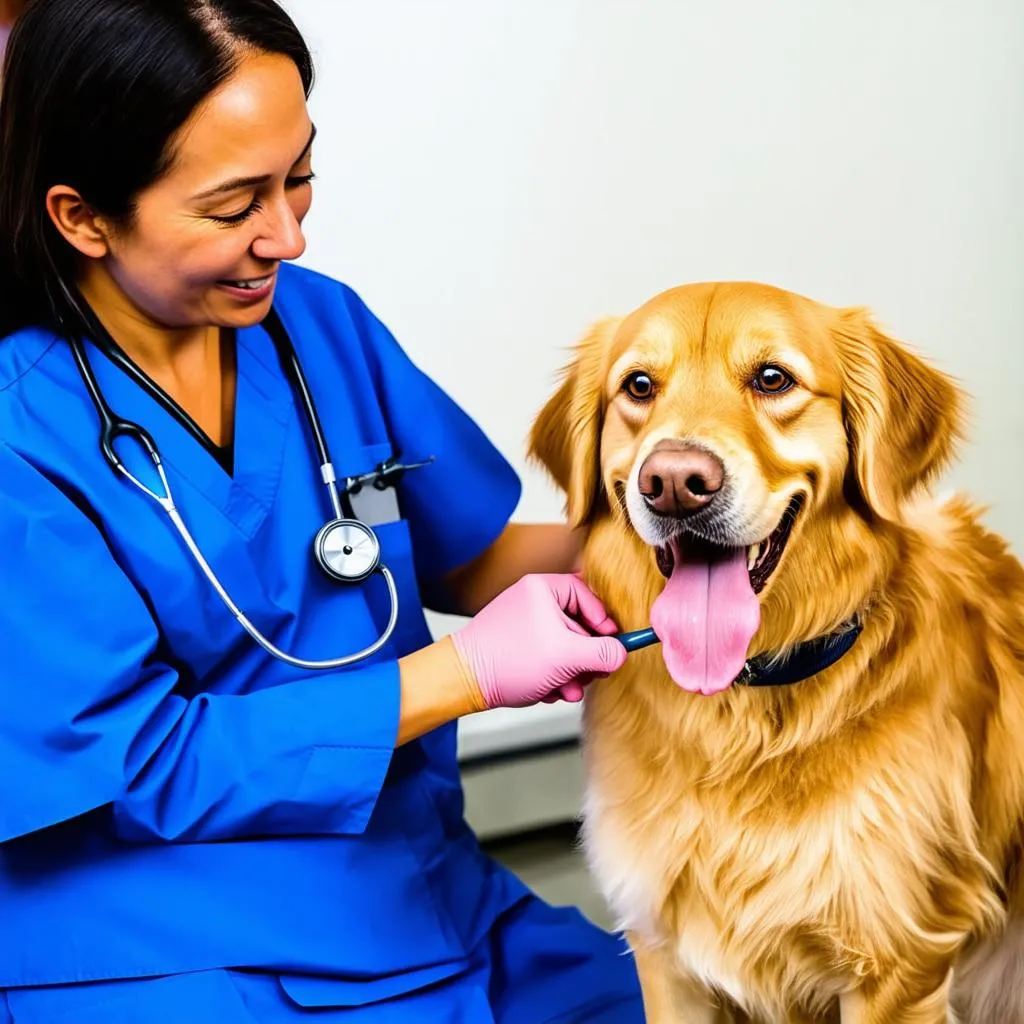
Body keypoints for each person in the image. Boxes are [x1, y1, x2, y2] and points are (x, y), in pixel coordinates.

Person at [0, 1, 646, 1021]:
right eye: (233, 205)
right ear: (82, 216)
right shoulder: (19, 435)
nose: (288, 236)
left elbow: (470, 559)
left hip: (414, 892)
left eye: (298, 176)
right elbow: (141, 762)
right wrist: (464, 673)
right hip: (166, 944)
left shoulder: (318, 326)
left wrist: (673, 541)